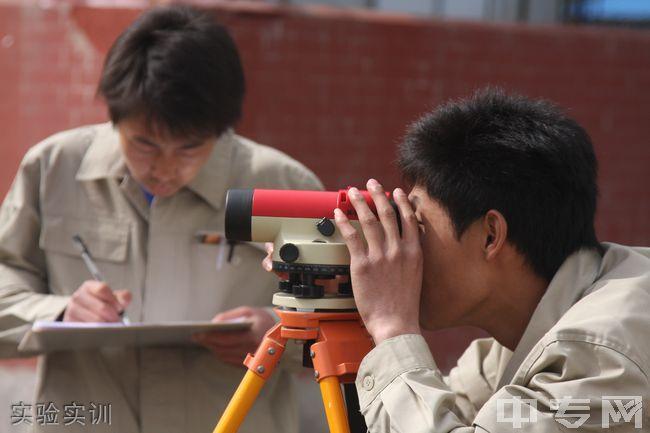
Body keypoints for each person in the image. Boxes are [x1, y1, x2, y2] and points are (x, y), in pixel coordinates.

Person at [0, 6, 321, 433]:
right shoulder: (54, 168)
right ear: (114, 116)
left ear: (222, 128)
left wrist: (280, 334)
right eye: (144, 144)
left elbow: (351, 320)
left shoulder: (286, 187)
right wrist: (59, 312)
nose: (165, 169)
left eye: (189, 148)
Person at [331, 89, 650, 432]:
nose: (404, 249)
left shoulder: (604, 356)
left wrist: (392, 329)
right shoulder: (509, 347)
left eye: (417, 225)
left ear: (490, 235)